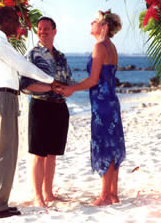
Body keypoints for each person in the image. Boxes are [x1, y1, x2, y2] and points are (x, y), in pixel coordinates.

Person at [0, 7, 54, 219]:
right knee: (5, 152)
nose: (18, 26)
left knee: (0, 152)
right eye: (14, 20)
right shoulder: (0, 44)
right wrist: (51, 80)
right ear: (4, 20)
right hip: (3, 99)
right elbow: (24, 66)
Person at [54, 10, 126, 206]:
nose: (90, 23)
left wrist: (71, 89)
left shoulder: (99, 47)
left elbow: (93, 80)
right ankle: (113, 193)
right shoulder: (112, 47)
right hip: (111, 102)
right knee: (112, 145)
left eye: (94, 21)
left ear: (104, 27)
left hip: (102, 104)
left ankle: (104, 196)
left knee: (105, 146)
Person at [20, 16, 73, 208]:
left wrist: (64, 89)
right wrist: (51, 88)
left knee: (52, 154)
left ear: (54, 31)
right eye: (39, 29)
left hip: (59, 108)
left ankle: (48, 194)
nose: (42, 31)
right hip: (40, 107)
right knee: (39, 154)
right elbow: (25, 85)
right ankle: (37, 196)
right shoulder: (32, 55)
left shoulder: (62, 56)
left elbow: (69, 81)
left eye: (46, 28)